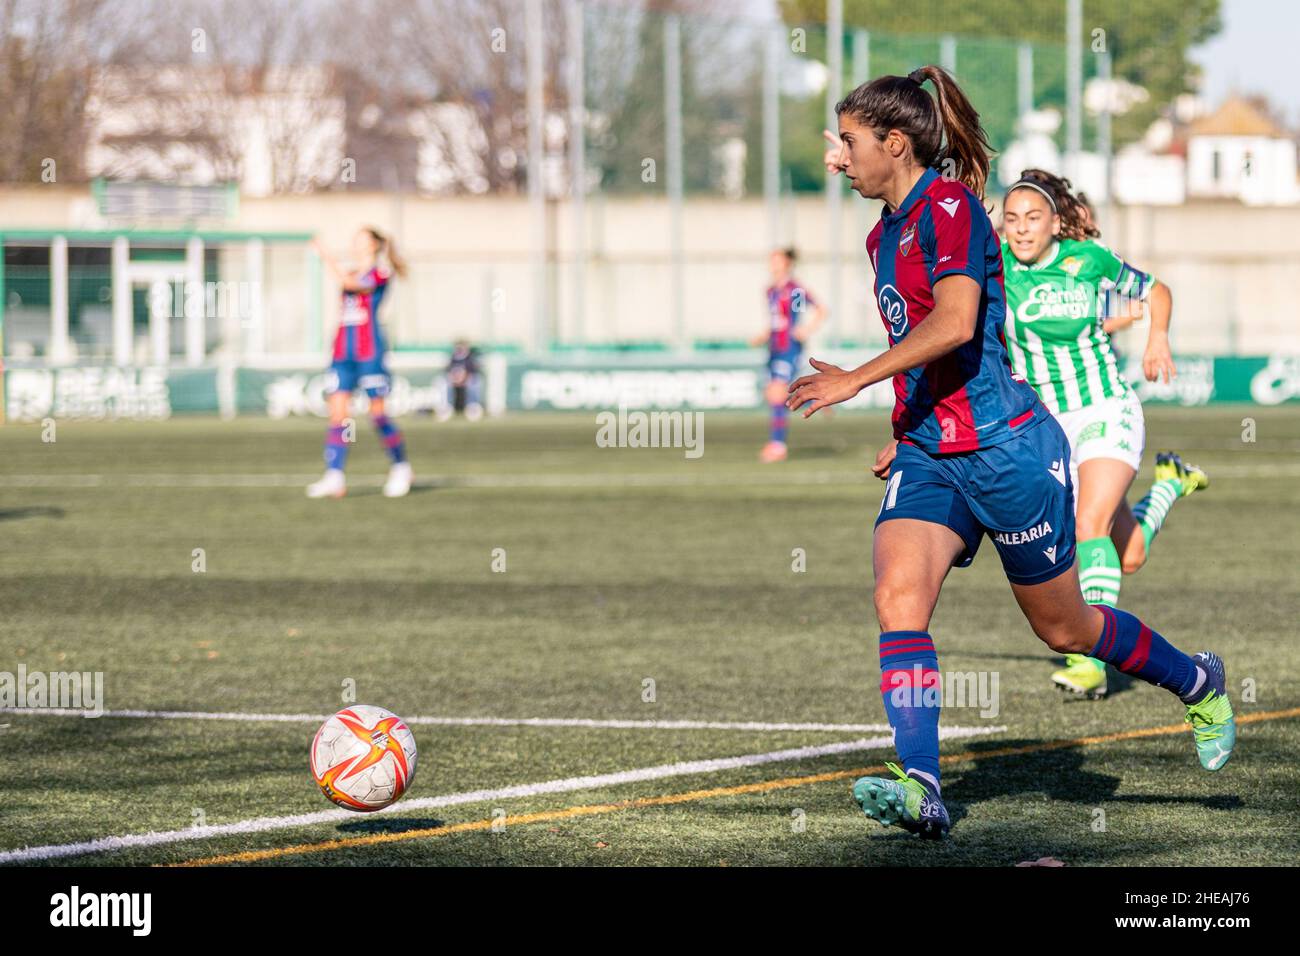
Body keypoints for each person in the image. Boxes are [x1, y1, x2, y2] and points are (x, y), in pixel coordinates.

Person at [792, 66, 1234, 839]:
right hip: (932, 453)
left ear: (896, 144)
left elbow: (958, 323)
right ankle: (922, 782)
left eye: (854, 143)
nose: (843, 156)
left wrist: (857, 380)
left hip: (1008, 449)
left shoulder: (953, 206)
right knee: (899, 597)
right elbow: (920, 346)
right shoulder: (882, 233)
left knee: (1066, 630)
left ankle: (1197, 680)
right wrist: (902, 430)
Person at [1001, 170, 1208, 699]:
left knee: (1086, 524)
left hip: (1105, 408)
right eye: (1012, 220)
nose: (1022, 230)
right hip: (1050, 427)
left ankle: (1089, 659)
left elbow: (1155, 289)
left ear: (1054, 223)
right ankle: (1169, 486)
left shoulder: (1086, 260)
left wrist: (1157, 338)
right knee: (1128, 555)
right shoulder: (994, 268)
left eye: (1033, 219)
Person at [306, 227, 412, 499]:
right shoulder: (351, 272)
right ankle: (334, 475)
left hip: (370, 353)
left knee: (377, 415)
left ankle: (400, 467)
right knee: (339, 416)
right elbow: (347, 285)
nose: (355, 244)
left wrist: (325, 255)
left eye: (361, 240)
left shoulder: (380, 273)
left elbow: (351, 286)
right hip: (343, 353)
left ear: (375, 245)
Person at [750, 248, 826, 462]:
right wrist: (764, 335)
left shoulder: (794, 290)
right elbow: (778, 320)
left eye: (776, 260)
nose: (772, 264)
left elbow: (818, 310)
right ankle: (817, 394)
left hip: (789, 348)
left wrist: (805, 330)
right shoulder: (771, 291)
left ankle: (777, 446)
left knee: (777, 393)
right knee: (773, 393)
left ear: (787, 264)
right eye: (771, 260)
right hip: (774, 348)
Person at [440, 339, 484, 422]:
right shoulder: (452, 358)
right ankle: (446, 407)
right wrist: (454, 379)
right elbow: (448, 371)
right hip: (455, 380)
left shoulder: (470, 358)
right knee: (444, 383)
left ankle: (472, 406)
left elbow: (472, 372)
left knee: (474, 382)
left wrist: (463, 379)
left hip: (466, 380)